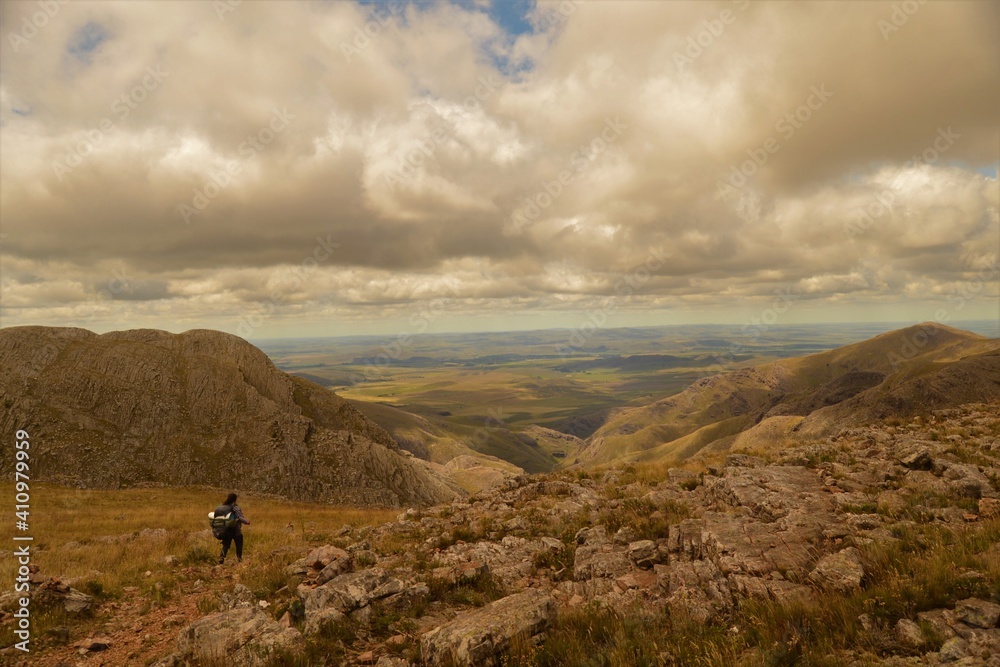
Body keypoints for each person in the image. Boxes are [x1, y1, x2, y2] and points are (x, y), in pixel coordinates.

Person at [218, 492, 250, 564]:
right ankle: (239, 558)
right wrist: (247, 521)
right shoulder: (236, 507)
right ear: (235, 499)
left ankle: (221, 557)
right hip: (236, 529)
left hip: (226, 529)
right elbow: (240, 517)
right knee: (239, 543)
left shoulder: (223, 507)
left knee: (226, 544)